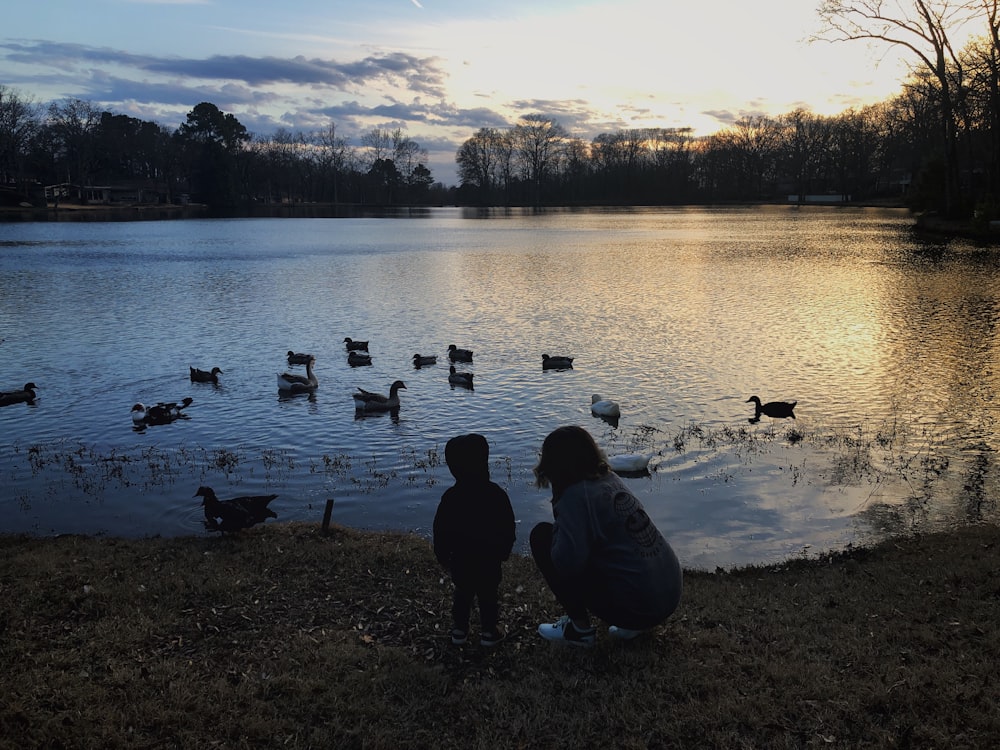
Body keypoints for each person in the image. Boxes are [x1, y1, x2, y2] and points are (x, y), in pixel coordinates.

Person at [530, 425, 682, 647]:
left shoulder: (574, 496)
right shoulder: (609, 478)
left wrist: (559, 516)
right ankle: (634, 624)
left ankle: (580, 630)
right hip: (668, 596)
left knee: (542, 536)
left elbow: (566, 563)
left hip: (642, 608)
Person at [433, 433, 516, 647]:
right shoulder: (496, 494)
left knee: (462, 593)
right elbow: (508, 525)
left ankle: (459, 630)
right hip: (490, 558)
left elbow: (440, 529)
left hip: (461, 559)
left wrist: (442, 555)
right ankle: (489, 632)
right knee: (489, 595)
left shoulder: (451, 497)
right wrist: (504, 550)